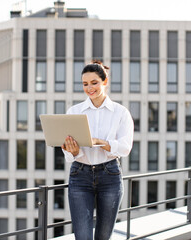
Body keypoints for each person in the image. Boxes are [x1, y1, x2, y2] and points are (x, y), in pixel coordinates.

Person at [62, 60, 134, 240]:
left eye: (94, 82)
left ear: (105, 81)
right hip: (80, 176)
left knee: (103, 237)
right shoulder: (74, 111)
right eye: (85, 84)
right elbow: (68, 156)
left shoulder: (120, 112)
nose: (89, 88)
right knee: (82, 237)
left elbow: (125, 147)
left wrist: (101, 142)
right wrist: (73, 150)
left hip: (109, 175)